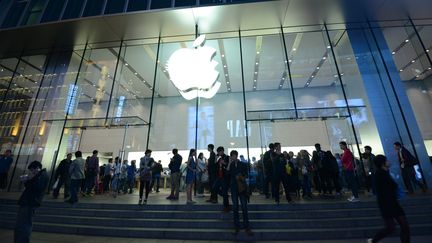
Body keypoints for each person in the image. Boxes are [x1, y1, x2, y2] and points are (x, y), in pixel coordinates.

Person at [368, 155, 410, 243]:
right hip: (386, 204)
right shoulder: (379, 174)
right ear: (382, 163)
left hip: (392, 203)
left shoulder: (385, 172)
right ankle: (373, 240)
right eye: (386, 160)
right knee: (392, 227)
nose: (388, 162)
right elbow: (383, 190)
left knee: (403, 226)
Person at [14, 160, 49, 243]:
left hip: (30, 202)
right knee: (23, 224)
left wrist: (27, 181)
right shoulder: (41, 175)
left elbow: (36, 188)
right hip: (29, 202)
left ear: (37, 168)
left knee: (24, 224)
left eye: (32, 170)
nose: (32, 173)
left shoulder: (42, 175)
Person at [226, 150, 253, 236]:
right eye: (232, 156)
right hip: (233, 188)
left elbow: (246, 175)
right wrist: (229, 163)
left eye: (234, 155)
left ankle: (247, 227)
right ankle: (236, 227)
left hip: (241, 188)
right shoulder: (231, 165)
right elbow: (227, 174)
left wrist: (240, 176)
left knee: (244, 207)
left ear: (236, 156)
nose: (233, 157)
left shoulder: (243, 164)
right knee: (235, 207)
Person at [214, 146, 230, 212]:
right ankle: (225, 195)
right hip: (219, 176)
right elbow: (216, 166)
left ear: (222, 151)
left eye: (219, 152)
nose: (218, 153)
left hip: (224, 177)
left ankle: (226, 207)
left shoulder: (227, 157)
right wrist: (216, 159)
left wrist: (224, 163)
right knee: (215, 188)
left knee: (224, 190)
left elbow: (229, 166)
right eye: (217, 152)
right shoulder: (219, 158)